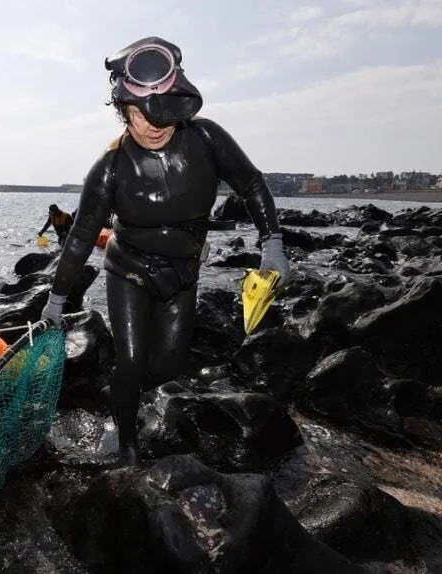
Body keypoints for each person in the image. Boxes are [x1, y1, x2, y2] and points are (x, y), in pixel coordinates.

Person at [40, 37, 290, 466]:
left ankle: (118, 393)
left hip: (182, 273)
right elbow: (81, 236)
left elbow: (250, 183)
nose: (155, 125)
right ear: (123, 110)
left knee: (170, 367)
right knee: (133, 360)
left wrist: (273, 244)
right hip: (129, 272)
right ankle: (127, 446)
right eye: (140, 114)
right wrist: (57, 299)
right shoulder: (110, 168)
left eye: (165, 114)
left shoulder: (207, 139)